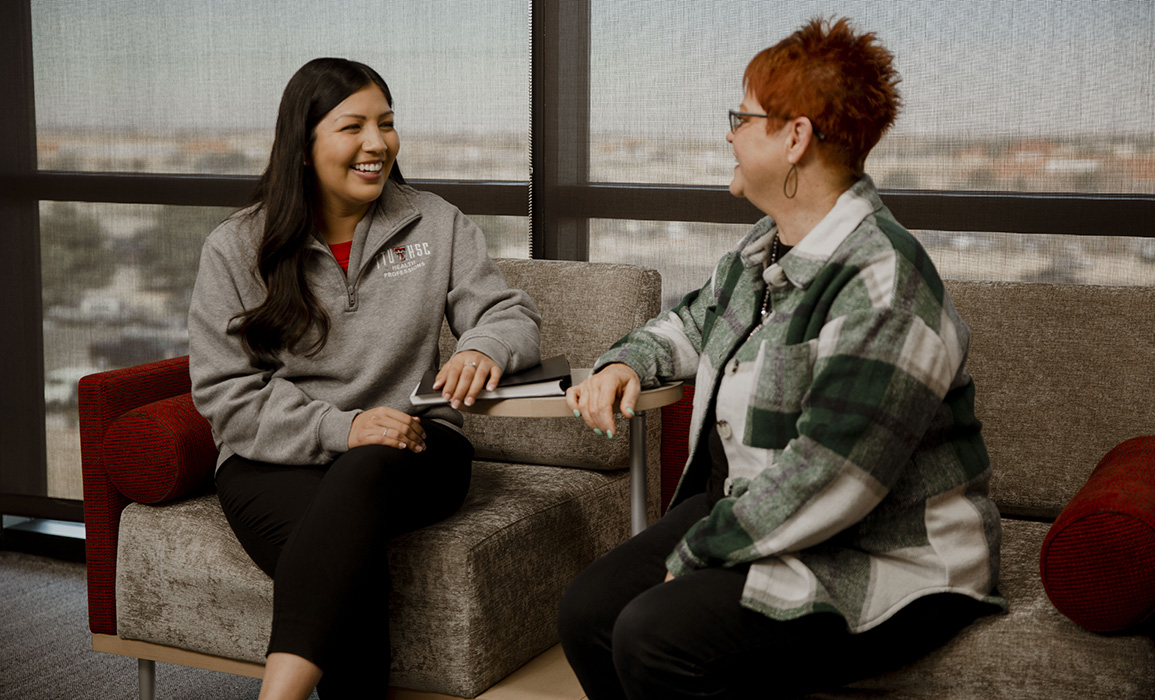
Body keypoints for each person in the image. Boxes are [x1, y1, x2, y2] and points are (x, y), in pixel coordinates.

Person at [559, 17, 1005, 700]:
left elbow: (831, 480)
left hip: (888, 557)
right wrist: (626, 362)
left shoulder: (882, 282)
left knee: (653, 633)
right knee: (587, 611)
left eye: (743, 116)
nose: (729, 133)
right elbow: (688, 324)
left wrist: (699, 552)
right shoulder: (761, 251)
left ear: (794, 137)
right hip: (758, 503)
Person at [188, 57, 541, 699]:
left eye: (387, 124)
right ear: (303, 146)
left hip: (416, 449)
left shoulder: (436, 223)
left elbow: (507, 312)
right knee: (349, 566)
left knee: (368, 467)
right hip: (274, 461)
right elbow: (226, 396)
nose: (377, 144)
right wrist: (343, 427)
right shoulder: (237, 248)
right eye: (353, 127)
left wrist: (483, 347)